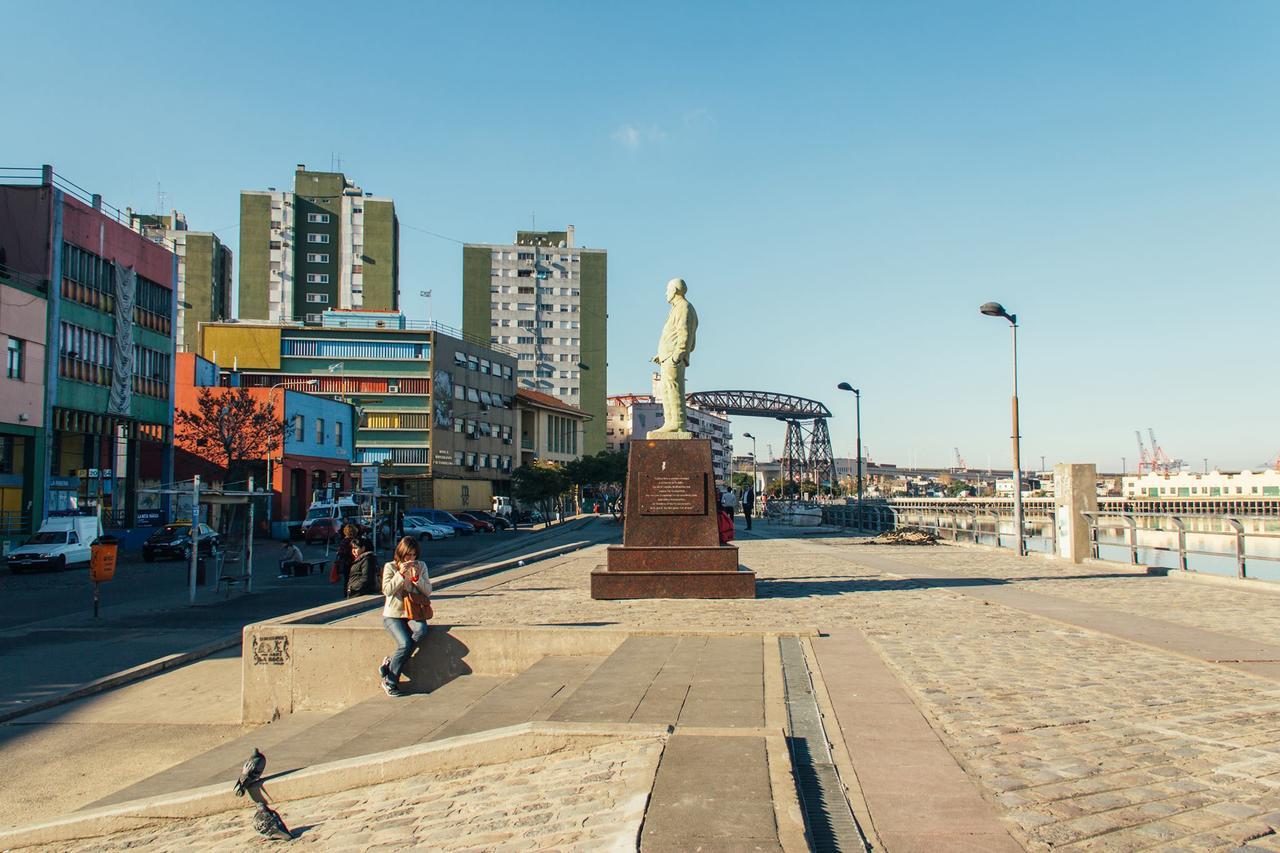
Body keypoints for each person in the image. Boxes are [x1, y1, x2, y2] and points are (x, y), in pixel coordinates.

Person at [380, 536, 432, 697]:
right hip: (393, 614)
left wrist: (417, 579)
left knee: (421, 630)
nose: (411, 559)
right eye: (408, 555)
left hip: (413, 611)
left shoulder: (421, 566)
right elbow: (387, 590)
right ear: (401, 553)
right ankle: (390, 682)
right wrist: (400, 575)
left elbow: (428, 590)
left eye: (414, 555)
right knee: (405, 643)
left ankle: (390, 666)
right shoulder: (390, 567)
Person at [333, 523, 359, 596]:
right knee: (355, 578)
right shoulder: (357, 541)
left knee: (346, 580)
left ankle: (346, 594)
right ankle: (354, 592)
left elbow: (340, 553)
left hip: (346, 563)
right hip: (355, 562)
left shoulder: (343, 542)